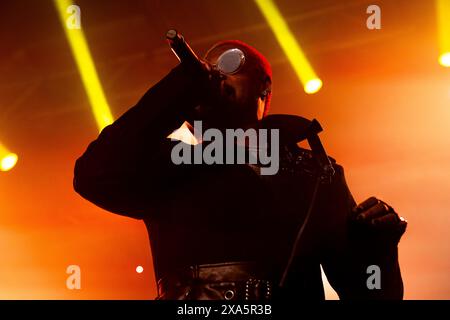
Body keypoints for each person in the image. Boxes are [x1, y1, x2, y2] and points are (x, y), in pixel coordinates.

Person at [73, 39, 407, 300]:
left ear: (264, 88)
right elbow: (93, 175)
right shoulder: (168, 164)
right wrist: (178, 90)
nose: (215, 73)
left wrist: (379, 250)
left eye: (229, 63)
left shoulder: (315, 173)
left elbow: (368, 295)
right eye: (209, 69)